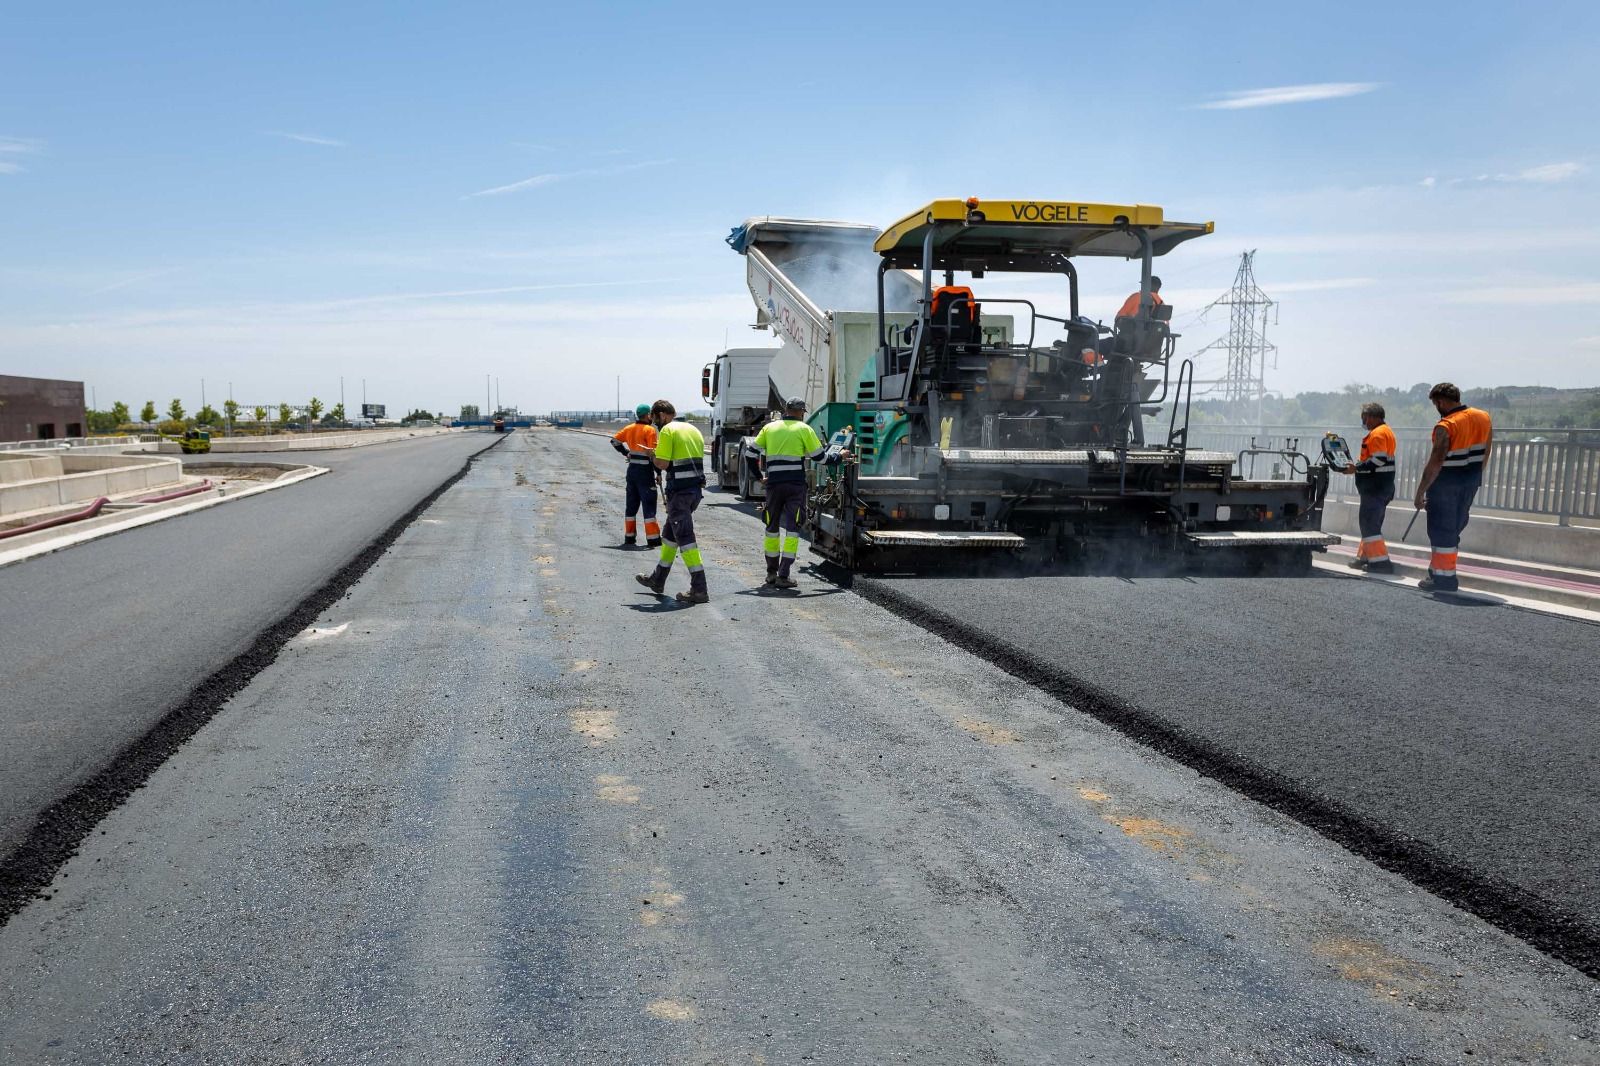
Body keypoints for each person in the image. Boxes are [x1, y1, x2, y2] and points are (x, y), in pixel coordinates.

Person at [747, 397, 848, 589]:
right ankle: (784, 575)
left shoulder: (770, 428)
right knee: (792, 529)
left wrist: (759, 476)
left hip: (774, 486)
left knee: (771, 528)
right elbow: (820, 458)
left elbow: (750, 454)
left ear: (786, 410)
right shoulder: (805, 429)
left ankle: (771, 573)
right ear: (801, 412)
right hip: (795, 487)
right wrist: (839, 457)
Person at [1413, 383, 1493, 593]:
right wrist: (1474, 477)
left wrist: (1420, 491)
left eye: (1435, 404)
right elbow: (1486, 453)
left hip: (1445, 485)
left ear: (1440, 401)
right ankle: (1439, 571)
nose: (1436, 408)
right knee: (1455, 527)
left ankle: (1444, 579)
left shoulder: (1446, 425)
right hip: (1471, 481)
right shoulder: (1483, 417)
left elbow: (1435, 462)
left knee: (1440, 530)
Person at [635, 400, 709, 604]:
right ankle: (657, 579)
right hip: (694, 492)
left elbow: (663, 463)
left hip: (679, 494)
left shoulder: (668, 431)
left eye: (655, 419)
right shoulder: (693, 429)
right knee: (669, 536)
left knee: (686, 539)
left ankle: (699, 589)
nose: (655, 424)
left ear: (661, 415)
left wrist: (652, 455)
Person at [1343, 402, 1397, 573]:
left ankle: (1381, 563)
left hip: (1375, 487)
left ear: (1373, 417)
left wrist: (1356, 468)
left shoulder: (1378, 434)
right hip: (1382, 486)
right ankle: (1365, 557)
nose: (1363, 422)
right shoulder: (1386, 431)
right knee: (1371, 524)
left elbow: (1377, 460)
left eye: (1364, 418)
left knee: (1369, 524)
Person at [610, 403, 661, 548]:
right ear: (648, 415)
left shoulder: (629, 428)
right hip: (645, 473)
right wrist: (658, 473)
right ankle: (653, 539)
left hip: (632, 471)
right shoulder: (649, 430)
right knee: (649, 504)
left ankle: (630, 537)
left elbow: (614, 441)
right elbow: (653, 454)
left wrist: (626, 452)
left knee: (631, 505)